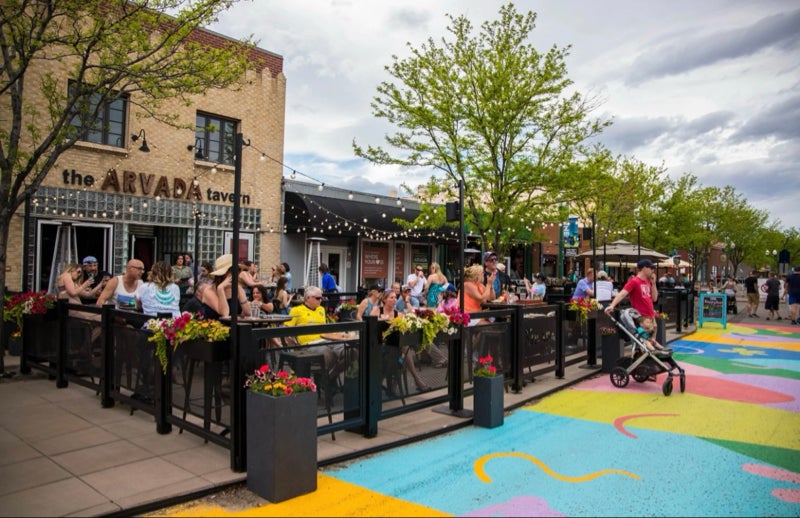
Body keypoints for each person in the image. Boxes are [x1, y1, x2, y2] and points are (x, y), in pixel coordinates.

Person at [371, 288, 431, 392]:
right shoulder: (377, 310)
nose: (394, 300)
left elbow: (408, 324)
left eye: (395, 297)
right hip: (379, 347)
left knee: (404, 352)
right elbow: (370, 324)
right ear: (384, 300)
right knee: (404, 352)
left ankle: (396, 383)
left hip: (394, 348)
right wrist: (382, 320)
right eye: (391, 297)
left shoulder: (399, 314)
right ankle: (408, 382)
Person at [284, 286, 348, 377]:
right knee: (329, 354)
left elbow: (325, 329)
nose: (320, 300)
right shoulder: (296, 310)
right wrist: (295, 347)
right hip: (308, 344)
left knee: (351, 351)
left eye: (322, 298)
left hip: (326, 340)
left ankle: (330, 376)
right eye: (318, 298)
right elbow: (286, 330)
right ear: (308, 298)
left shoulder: (321, 309)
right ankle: (325, 380)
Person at [200, 254, 251, 319]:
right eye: (233, 270)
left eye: (238, 270)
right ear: (223, 274)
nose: (237, 273)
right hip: (215, 324)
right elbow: (224, 313)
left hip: (234, 325)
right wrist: (220, 289)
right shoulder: (209, 291)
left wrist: (239, 290)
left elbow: (248, 313)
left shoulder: (237, 288)